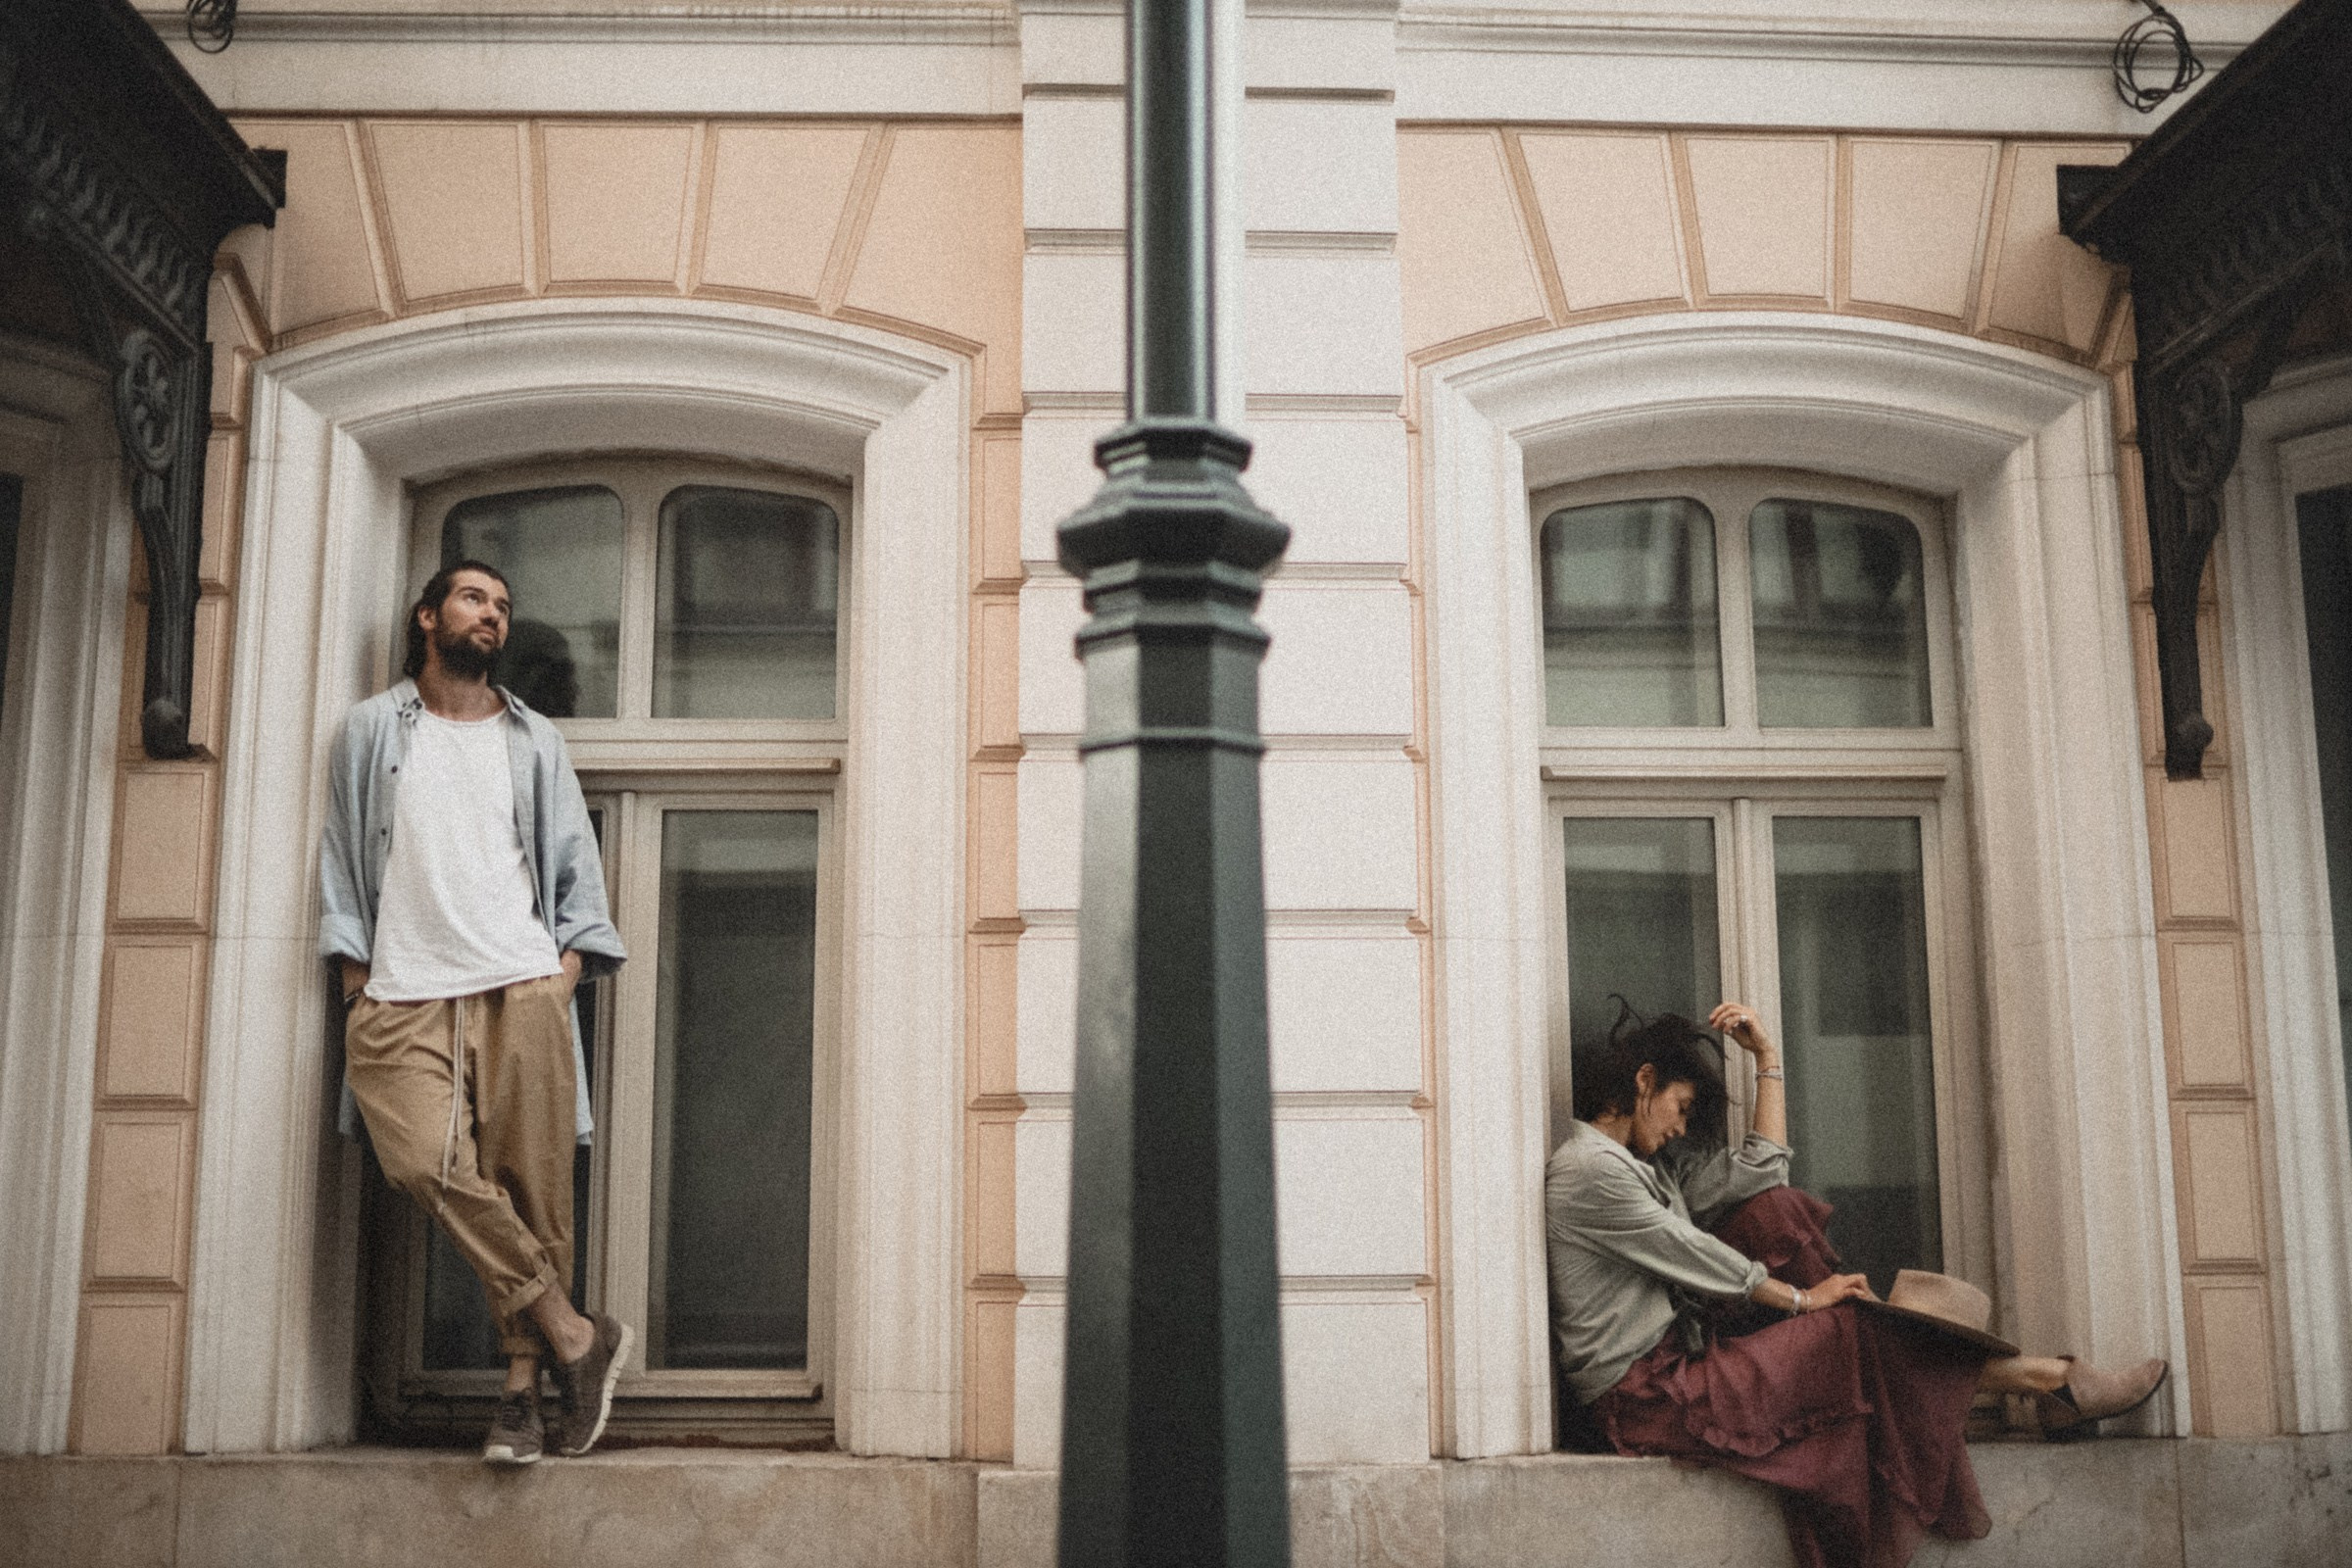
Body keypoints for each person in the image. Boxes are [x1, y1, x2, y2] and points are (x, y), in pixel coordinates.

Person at [1546, 1003, 2168, 1568]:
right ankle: (2045, 1380)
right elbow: (1692, 1252)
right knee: (1846, 1326)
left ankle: (2011, 1372)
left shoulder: (1648, 1169)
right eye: (1681, 1108)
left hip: (1680, 1363)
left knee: (1776, 1212)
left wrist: (1768, 1059)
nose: (1682, 1128)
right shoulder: (1590, 1172)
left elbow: (1765, 1170)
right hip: (1644, 1398)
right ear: (1644, 1081)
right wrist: (1802, 1299)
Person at [319, 561, 631, 1467]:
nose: (489, 614)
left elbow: (576, 865)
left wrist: (563, 973)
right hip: (400, 992)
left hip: (519, 985)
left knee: (534, 1192)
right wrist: (353, 984)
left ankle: (522, 1397)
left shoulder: (535, 741)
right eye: (472, 598)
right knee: (424, 1161)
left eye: (502, 605)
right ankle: (575, 1332)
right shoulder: (373, 730)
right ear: (427, 617)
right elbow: (344, 857)